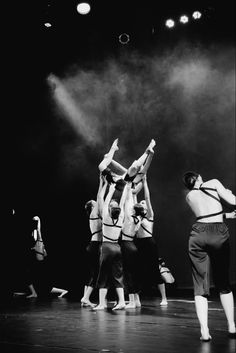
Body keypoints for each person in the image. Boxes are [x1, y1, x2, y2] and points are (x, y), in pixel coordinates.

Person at [182, 171, 236, 341]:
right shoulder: (213, 182)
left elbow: (206, 213)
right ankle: (232, 326)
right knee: (223, 282)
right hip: (218, 233)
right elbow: (233, 201)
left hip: (198, 234)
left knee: (200, 284)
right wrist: (228, 193)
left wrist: (227, 215)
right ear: (198, 178)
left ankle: (204, 331)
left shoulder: (190, 196)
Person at [93, 179, 128, 310]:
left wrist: (111, 188)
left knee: (103, 275)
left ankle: (102, 303)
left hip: (107, 247)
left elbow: (106, 201)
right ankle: (122, 302)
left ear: (110, 209)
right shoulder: (121, 217)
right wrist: (126, 189)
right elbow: (123, 202)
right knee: (118, 275)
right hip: (117, 247)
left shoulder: (106, 217)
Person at [14, 215, 68, 299]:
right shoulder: (38, 244)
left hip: (40, 265)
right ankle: (32, 292)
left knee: (38, 282)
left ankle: (34, 293)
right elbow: (44, 254)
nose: (34, 235)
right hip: (40, 264)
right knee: (40, 284)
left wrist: (39, 220)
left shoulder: (39, 241)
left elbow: (39, 230)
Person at [135, 175, 168, 306]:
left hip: (149, 243)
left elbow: (147, 198)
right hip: (139, 244)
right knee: (137, 270)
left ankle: (164, 298)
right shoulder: (136, 217)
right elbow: (133, 199)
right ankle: (135, 299)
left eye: (144, 203)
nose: (142, 203)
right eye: (141, 203)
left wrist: (145, 182)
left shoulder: (150, 215)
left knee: (154, 271)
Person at [81, 175, 104, 307]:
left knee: (91, 273)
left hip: (92, 245)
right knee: (95, 274)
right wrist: (102, 182)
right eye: (94, 204)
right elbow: (99, 196)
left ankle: (85, 299)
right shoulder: (94, 214)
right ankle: (86, 298)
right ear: (92, 207)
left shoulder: (94, 216)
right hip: (95, 245)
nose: (97, 204)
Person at [120, 182, 142, 308]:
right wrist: (133, 194)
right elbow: (134, 205)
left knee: (128, 274)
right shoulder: (138, 219)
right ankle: (137, 300)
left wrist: (127, 190)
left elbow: (125, 203)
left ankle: (132, 301)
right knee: (134, 273)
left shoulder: (129, 217)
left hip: (126, 245)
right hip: (133, 245)